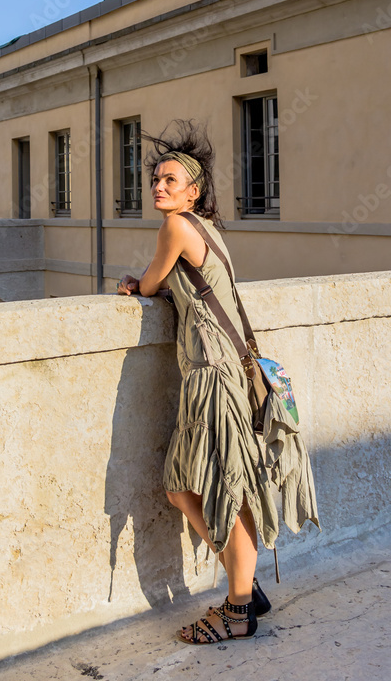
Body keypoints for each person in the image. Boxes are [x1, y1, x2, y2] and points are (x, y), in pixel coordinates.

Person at [116, 120, 282, 645]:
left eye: (171, 180)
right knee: (193, 485)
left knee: (213, 489)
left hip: (211, 375)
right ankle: (245, 585)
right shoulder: (208, 230)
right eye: (155, 181)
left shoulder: (176, 228)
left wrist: (137, 286)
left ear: (193, 191)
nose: (159, 187)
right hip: (223, 367)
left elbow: (147, 283)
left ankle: (236, 610)